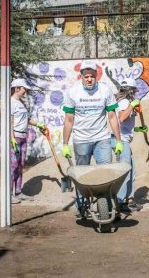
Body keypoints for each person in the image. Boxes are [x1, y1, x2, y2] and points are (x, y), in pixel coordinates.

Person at [61, 60, 123, 213]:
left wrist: (119, 140)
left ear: (97, 76)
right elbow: (69, 119)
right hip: (81, 140)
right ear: (81, 76)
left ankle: (106, 205)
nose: (89, 79)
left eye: (92, 76)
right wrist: (64, 144)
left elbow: (112, 116)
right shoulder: (73, 92)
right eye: (86, 76)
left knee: (106, 172)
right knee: (82, 175)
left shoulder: (105, 90)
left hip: (102, 138)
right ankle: (82, 205)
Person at [10, 78, 47, 204]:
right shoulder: (10, 102)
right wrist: (11, 138)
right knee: (13, 166)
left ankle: (18, 192)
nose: (25, 91)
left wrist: (39, 125)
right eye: (24, 89)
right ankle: (9, 195)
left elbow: (27, 119)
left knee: (20, 166)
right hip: (15, 137)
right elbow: (9, 121)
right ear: (17, 88)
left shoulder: (21, 103)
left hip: (23, 138)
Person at [112, 78, 145, 212]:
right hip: (120, 141)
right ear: (131, 90)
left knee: (131, 171)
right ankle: (120, 202)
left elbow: (125, 124)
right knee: (125, 172)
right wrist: (132, 106)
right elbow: (121, 118)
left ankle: (129, 200)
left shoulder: (126, 102)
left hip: (125, 140)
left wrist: (138, 129)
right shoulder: (124, 102)